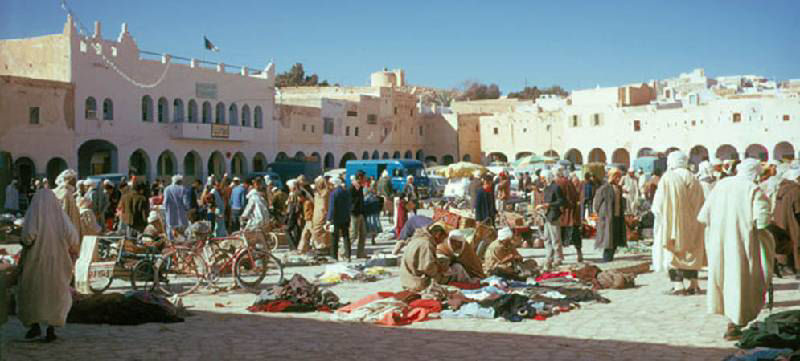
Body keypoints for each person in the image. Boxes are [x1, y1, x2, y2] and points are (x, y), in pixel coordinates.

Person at [697, 158, 773, 340]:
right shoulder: (752, 189)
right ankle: (735, 322)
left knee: (725, 278)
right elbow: (762, 221)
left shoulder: (721, 185)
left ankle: (732, 319)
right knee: (741, 280)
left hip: (719, 242)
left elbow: (703, 216)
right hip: (742, 243)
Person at [18, 188, 79, 342]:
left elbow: (28, 236)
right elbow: (73, 237)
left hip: (36, 260)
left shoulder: (33, 214)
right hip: (59, 261)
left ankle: (35, 325)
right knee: (55, 293)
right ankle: (51, 329)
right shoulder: (61, 216)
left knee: (34, 292)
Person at [651, 151, 706, 295]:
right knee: (691, 253)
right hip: (694, 223)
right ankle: (693, 284)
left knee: (674, 253)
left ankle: (678, 286)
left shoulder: (668, 177)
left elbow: (659, 204)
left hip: (674, 224)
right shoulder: (694, 178)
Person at [399, 223, 450, 291]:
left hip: (407, 278)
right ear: (438, 234)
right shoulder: (426, 244)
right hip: (415, 282)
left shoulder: (418, 238)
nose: (442, 241)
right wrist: (440, 269)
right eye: (443, 238)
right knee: (450, 275)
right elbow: (428, 267)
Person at [593, 167, 627, 262]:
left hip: (617, 216)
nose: (618, 179)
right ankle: (607, 258)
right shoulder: (605, 188)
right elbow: (597, 203)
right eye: (617, 177)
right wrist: (601, 214)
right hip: (607, 217)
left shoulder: (618, 188)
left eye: (619, 177)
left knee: (615, 237)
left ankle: (611, 257)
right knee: (608, 239)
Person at [773, 169, 800, 275]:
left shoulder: (781, 189)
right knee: (796, 243)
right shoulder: (796, 190)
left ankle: (783, 265)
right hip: (793, 222)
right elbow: (798, 209)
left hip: (780, 220)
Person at [537, 169, 564, 270]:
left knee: (555, 238)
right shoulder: (547, 188)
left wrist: (548, 205)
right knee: (547, 238)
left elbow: (561, 201)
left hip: (554, 215)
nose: (542, 180)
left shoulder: (556, 187)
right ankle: (549, 257)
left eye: (543, 178)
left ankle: (558, 258)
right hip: (546, 215)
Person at [555, 165, 583, 262]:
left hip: (562, 213)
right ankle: (579, 253)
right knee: (575, 235)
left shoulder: (558, 183)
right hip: (570, 213)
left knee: (558, 236)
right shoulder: (568, 182)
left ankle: (558, 257)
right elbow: (575, 196)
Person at [240, 178, 271, 246]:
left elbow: (248, 208)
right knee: (257, 234)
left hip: (258, 219)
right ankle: (260, 247)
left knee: (246, 232)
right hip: (265, 219)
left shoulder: (253, 197)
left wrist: (243, 216)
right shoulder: (260, 197)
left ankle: (249, 247)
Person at [52, 169, 81, 241]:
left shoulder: (55, 191)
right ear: (69, 180)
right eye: (74, 179)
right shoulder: (66, 193)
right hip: (66, 231)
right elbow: (65, 213)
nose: (75, 182)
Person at [327, 177, 352, 261]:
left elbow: (332, 208)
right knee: (346, 236)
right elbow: (349, 205)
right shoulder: (346, 192)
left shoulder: (333, 194)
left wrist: (328, 219)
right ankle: (348, 255)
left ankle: (334, 256)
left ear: (333, 184)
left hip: (335, 219)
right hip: (345, 218)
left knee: (334, 237)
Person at [163, 175, 189, 241]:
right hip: (181, 213)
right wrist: (187, 209)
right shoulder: (183, 189)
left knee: (170, 228)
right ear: (180, 181)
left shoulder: (167, 189)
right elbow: (185, 202)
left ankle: (171, 242)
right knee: (182, 229)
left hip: (170, 212)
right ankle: (182, 242)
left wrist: (165, 210)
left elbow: (165, 202)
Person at [349, 173, 368, 258]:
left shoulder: (360, 188)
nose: (365, 180)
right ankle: (342, 251)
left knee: (363, 234)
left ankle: (360, 253)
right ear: (360, 178)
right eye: (364, 178)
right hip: (354, 214)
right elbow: (351, 202)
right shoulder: (352, 188)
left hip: (361, 213)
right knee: (353, 235)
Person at [311, 176, 331, 252]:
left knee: (328, 231)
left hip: (324, 214)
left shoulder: (326, 192)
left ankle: (327, 246)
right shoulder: (317, 193)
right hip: (318, 215)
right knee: (319, 231)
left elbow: (325, 205)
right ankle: (321, 246)